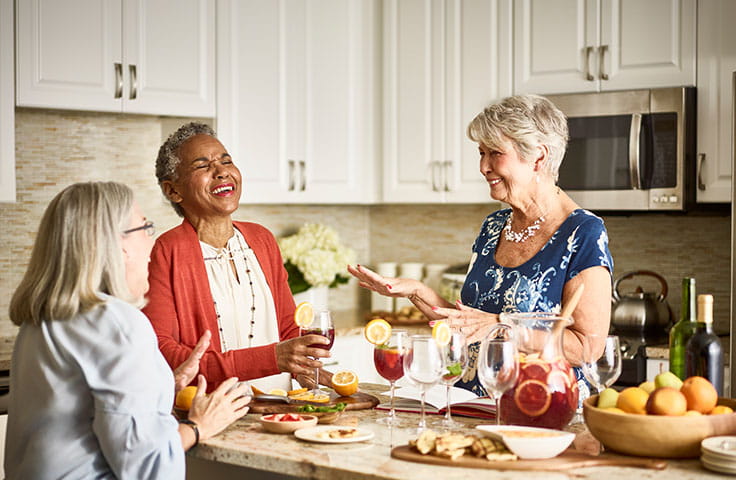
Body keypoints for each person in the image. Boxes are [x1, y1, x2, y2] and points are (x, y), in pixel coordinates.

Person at [349, 94, 613, 398]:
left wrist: (502, 328)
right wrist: (417, 292)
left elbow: (588, 348)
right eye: (481, 152)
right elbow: (471, 325)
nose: (483, 166)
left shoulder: (583, 232)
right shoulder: (493, 226)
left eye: (495, 153)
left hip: (542, 406)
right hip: (473, 404)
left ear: (538, 157)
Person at [5, 182, 249, 479]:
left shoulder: (42, 320)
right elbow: (146, 467)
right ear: (118, 245)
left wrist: (163, 385)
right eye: (145, 228)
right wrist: (200, 425)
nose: (152, 241)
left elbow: (84, 409)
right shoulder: (117, 322)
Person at [143, 122, 331, 393]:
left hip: (278, 408)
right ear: (173, 190)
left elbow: (288, 327)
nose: (221, 172)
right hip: (213, 412)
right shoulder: (166, 251)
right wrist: (271, 359)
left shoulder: (262, 239)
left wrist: (305, 369)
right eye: (202, 165)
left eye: (226, 160)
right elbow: (162, 352)